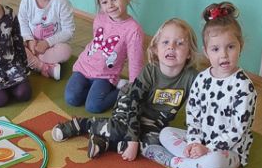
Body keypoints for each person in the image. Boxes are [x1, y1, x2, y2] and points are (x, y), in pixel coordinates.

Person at [51, 18, 201, 160]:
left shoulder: (193, 78)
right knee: (121, 129)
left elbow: (198, 110)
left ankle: (106, 142)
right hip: (130, 106)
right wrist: (133, 140)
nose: (171, 47)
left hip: (155, 122)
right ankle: (81, 125)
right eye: (166, 42)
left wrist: (199, 140)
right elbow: (134, 104)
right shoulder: (150, 72)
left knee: (155, 145)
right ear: (156, 48)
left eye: (179, 43)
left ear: (189, 52)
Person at [143, 1, 256, 168]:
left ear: (240, 46)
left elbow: (237, 130)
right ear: (206, 52)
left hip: (229, 150)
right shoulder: (202, 78)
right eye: (215, 49)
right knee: (165, 133)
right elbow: (193, 114)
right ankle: (202, 165)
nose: (223, 55)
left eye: (230, 47)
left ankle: (173, 161)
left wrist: (208, 149)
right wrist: (194, 142)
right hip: (201, 141)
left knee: (216, 160)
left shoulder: (244, 86)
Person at [64, 0, 145, 114]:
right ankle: (92, 90)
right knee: (71, 98)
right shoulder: (100, 18)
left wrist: (134, 88)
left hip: (105, 75)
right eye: (104, 2)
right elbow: (96, 44)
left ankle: (122, 88)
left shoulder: (133, 30)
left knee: (93, 106)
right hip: (84, 67)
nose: (110, 5)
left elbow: (135, 62)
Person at [18, 0, 74, 81]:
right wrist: (29, 40)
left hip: (52, 46)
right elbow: (22, 24)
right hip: (31, 45)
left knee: (66, 51)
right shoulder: (26, 1)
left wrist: (47, 43)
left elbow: (69, 31)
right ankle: (44, 66)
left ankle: (32, 62)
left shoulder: (61, 1)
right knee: (13, 45)